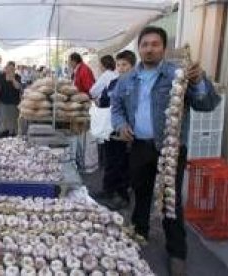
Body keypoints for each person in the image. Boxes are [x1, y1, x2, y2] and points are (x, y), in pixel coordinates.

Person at [111, 26, 221, 275]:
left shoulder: (179, 75)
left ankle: (177, 252)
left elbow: (207, 104)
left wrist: (199, 81)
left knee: (171, 202)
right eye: (145, 44)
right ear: (138, 49)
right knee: (140, 192)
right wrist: (121, 124)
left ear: (163, 48)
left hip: (170, 149)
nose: (149, 49)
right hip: (139, 145)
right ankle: (139, 234)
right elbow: (116, 105)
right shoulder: (127, 79)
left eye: (155, 44)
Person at [93, 50, 137, 210]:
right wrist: (99, 103)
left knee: (123, 164)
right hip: (110, 129)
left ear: (133, 66)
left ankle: (122, 196)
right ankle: (108, 190)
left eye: (124, 64)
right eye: (118, 64)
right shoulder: (113, 82)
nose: (121, 68)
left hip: (126, 131)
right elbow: (104, 99)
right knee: (110, 161)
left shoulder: (136, 84)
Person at [0, 61, 22, 136]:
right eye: (8, 68)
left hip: (14, 100)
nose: (10, 70)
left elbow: (18, 87)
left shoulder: (17, 76)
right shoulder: (1, 76)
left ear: (14, 69)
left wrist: (13, 79)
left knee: (14, 117)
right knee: (4, 117)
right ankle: (4, 131)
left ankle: (13, 131)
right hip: (3, 99)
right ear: (6, 68)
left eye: (12, 68)